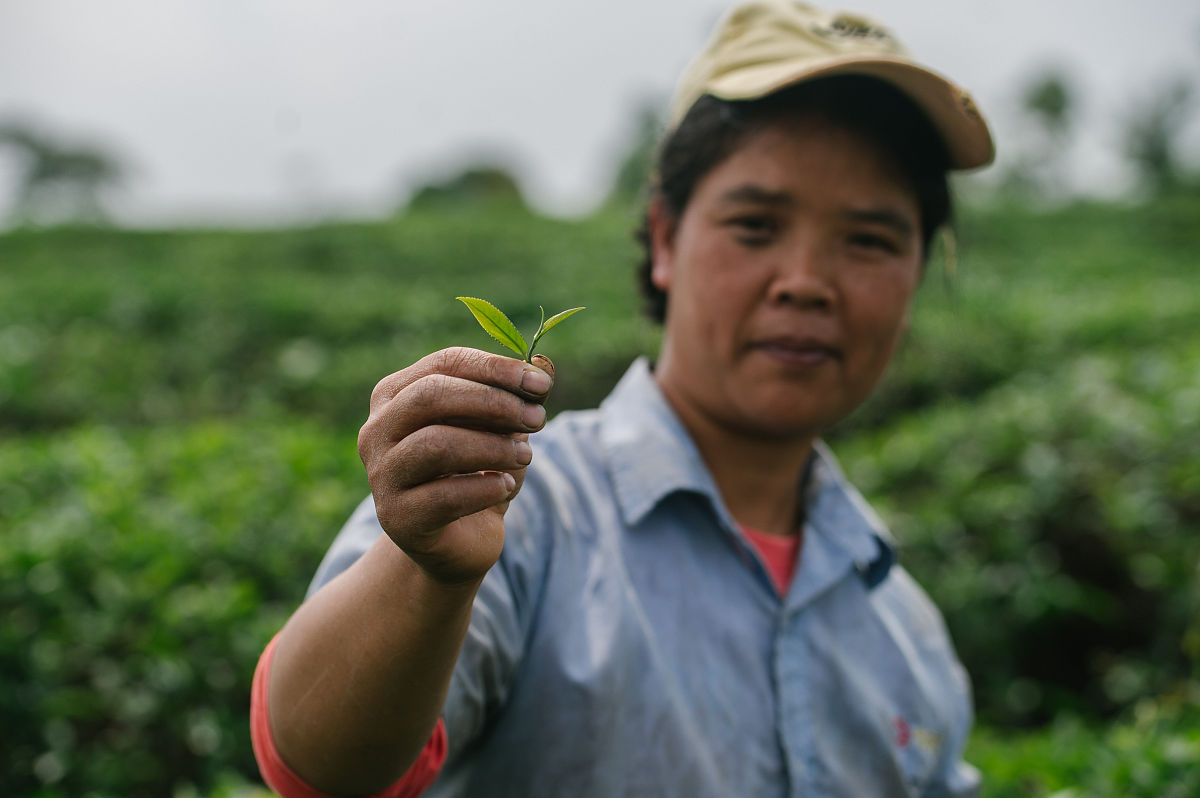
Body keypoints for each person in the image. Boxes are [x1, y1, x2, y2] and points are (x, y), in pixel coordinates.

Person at [251, 1, 995, 795]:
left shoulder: (908, 636)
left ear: (918, 272)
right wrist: (426, 574)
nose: (805, 283)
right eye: (755, 225)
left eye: (870, 241)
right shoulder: (521, 512)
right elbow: (314, 766)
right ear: (667, 238)